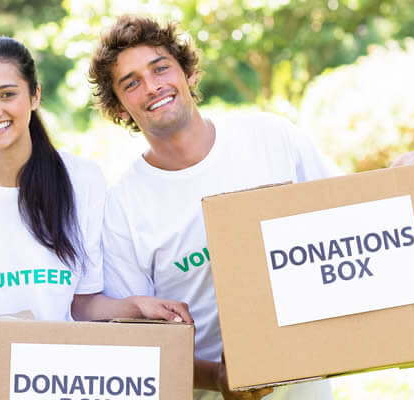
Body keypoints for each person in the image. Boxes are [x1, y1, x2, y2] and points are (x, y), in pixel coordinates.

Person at [88, 15, 338, 400]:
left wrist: (401, 179)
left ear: (187, 72)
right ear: (119, 108)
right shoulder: (123, 206)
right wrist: (220, 378)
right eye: (132, 83)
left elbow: (346, 220)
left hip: (306, 386)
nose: (153, 86)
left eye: (160, 68)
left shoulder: (271, 138)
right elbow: (136, 338)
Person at [0, 36, 193, 336]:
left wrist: (138, 307)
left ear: (35, 95)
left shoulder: (83, 179)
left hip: (60, 376)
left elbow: (81, 305)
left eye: (7, 94)